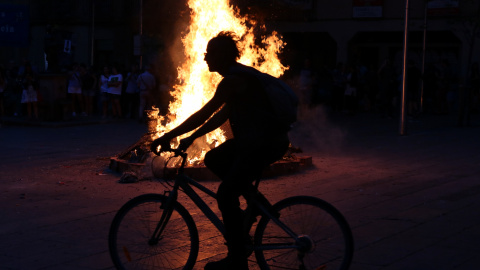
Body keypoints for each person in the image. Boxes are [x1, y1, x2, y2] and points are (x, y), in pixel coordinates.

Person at [150, 32, 290, 270]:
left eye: (209, 53)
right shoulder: (240, 77)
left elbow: (205, 113)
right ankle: (255, 203)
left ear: (222, 55)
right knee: (214, 158)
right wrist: (191, 138)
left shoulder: (233, 80)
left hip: (262, 143)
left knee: (225, 195)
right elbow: (219, 117)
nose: (204, 58)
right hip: (258, 141)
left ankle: (237, 260)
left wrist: (168, 135)